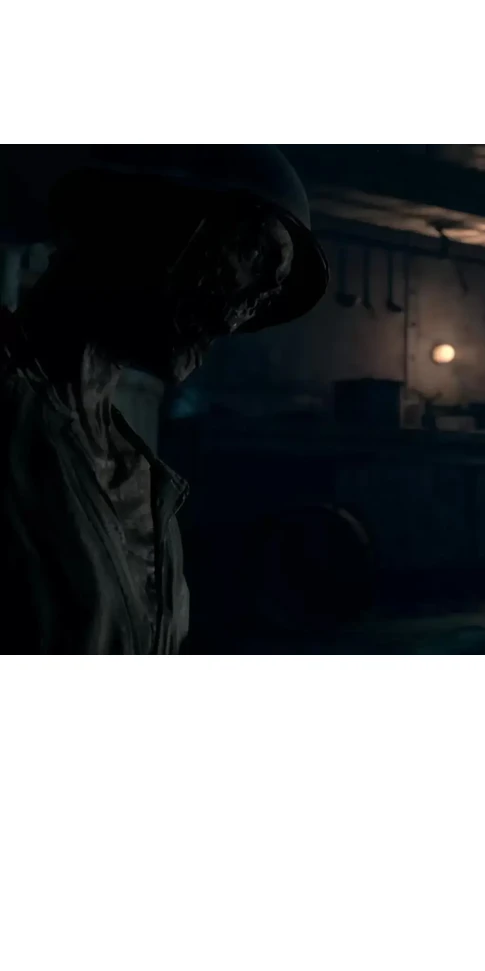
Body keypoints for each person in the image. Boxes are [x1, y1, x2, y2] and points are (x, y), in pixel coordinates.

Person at [0, 146, 328, 654]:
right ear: (146, 217)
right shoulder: (11, 419)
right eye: (252, 253)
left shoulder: (151, 487)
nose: (248, 307)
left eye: (270, 291)